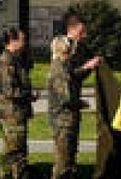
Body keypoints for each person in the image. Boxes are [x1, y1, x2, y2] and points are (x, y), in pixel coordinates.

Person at [55, 14, 102, 179]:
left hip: (71, 110)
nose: (85, 35)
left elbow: (76, 76)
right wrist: (88, 66)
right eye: (82, 31)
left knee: (71, 153)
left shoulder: (78, 47)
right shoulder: (62, 48)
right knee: (63, 158)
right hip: (64, 114)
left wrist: (89, 67)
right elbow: (70, 76)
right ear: (72, 29)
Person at [0, 27, 34, 179]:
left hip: (17, 111)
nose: (25, 43)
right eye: (22, 40)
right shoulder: (7, 61)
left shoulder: (16, 59)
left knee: (11, 149)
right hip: (13, 113)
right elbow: (9, 91)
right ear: (13, 41)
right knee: (17, 151)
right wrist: (28, 95)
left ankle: (7, 174)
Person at [48, 35, 83, 179]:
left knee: (69, 161)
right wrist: (80, 103)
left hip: (67, 120)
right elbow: (66, 98)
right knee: (63, 163)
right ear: (64, 49)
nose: (73, 51)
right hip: (63, 122)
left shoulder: (64, 66)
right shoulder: (59, 69)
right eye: (70, 48)